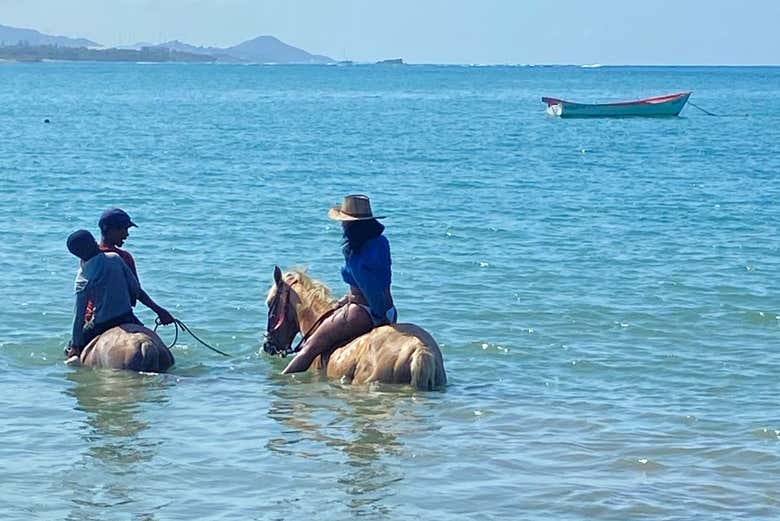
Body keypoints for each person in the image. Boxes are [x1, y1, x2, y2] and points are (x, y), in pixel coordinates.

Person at [283, 194, 397, 374]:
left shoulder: (356, 252)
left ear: (351, 224)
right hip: (391, 309)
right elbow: (375, 282)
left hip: (365, 311)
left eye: (344, 222)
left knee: (310, 347)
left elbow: (369, 287)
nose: (342, 225)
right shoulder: (381, 242)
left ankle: (281, 386)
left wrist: (378, 316)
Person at [83, 208, 175, 327]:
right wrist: (159, 311)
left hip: (95, 318)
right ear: (110, 230)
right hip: (124, 317)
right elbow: (136, 292)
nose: (126, 234)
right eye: (123, 229)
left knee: (76, 344)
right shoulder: (124, 257)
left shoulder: (88, 258)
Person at [65, 230, 142, 358]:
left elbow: (79, 315)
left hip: (103, 323)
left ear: (77, 254)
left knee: (72, 352)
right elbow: (135, 288)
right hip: (127, 317)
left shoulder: (83, 277)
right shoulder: (115, 258)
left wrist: (75, 344)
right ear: (94, 242)